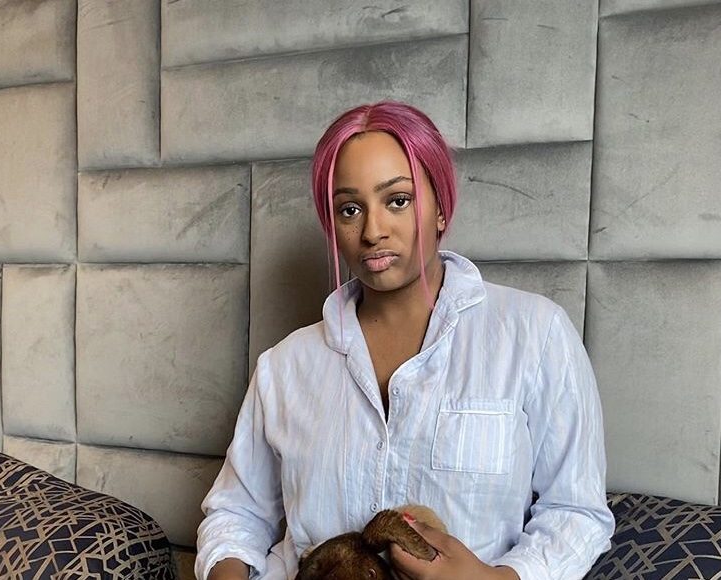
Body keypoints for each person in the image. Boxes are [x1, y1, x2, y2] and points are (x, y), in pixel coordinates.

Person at [195, 101, 615, 580]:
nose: (373, 231)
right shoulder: (285, 366)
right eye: (350, 209)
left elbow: (576, 511)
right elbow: (237, 514)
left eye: (398, 200)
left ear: (441, 209)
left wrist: (497, 579)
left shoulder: (534, 334)